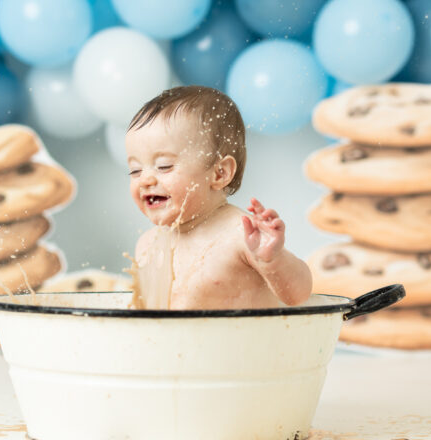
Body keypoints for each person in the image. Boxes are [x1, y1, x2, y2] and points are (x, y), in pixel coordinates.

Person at [125, 85, 313, 310]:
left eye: (164, 166)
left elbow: (299, 295)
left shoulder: (241, 236)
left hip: (244, 345)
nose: (145, 180)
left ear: (219, 173)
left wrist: (273, 259)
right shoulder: (147, 245)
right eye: (135, 170)